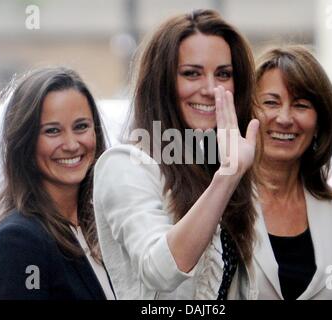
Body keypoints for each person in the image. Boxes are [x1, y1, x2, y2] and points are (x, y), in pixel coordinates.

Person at [93, 9, 260, 299]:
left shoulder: (221, 161)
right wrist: (227, 177)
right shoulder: (126, 165)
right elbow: (159, 271)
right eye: (191, 73)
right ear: (162, 82)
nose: (210, 89)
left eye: (223, 74)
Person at [0, 67, 115, 299]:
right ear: (24, 142)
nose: (71, 144)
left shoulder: (101, 227)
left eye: (81, 127)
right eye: (52, 131)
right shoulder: (18, 242)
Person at [252, 45, 332, 299]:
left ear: (319, 123)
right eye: (271, 102)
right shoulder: (221, 205)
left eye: (301, 105)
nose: (284, 118)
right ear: (248, 114)